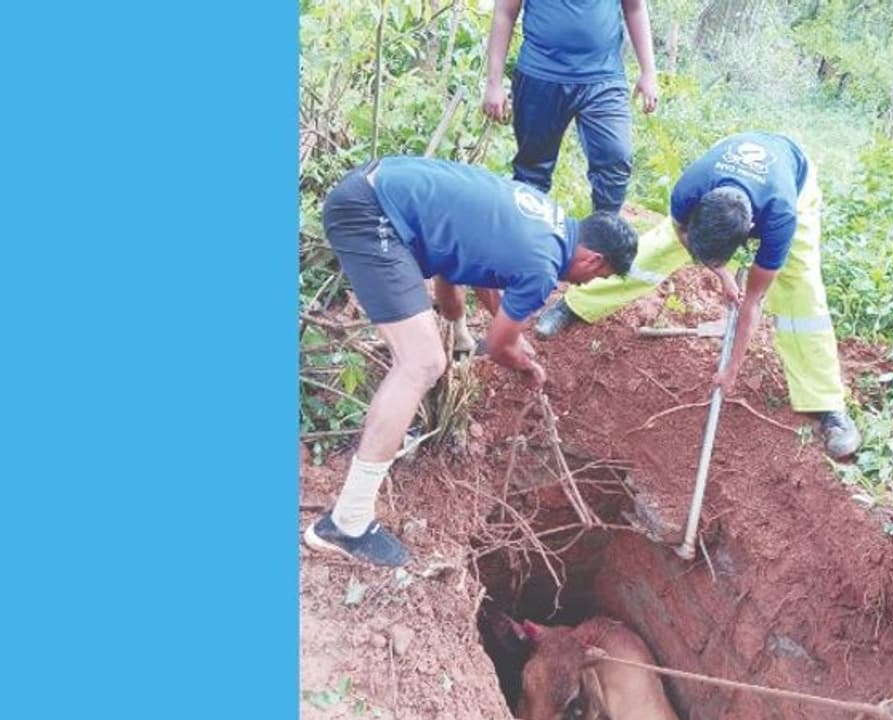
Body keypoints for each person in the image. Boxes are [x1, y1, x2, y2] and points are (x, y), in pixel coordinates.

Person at [304, 156, 638, 567]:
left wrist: (472, 334)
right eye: (597, 278)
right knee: (423, 362)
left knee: (431, 349)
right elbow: (499, 348)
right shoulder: (543, 267)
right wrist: (522, 361)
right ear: (594, 261)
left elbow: (471, 268)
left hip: (376, 187)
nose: (588, 284)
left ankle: (428, 382)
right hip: (371, 214)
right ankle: (347, 522)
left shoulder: (545, 218)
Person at [535, 132, 862, 458]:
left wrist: (732, 368)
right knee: (649, 253)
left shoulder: (780, 218)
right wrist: (720, 273)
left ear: (748, 235)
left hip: (794, 178)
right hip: (726, 173)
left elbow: (752, 301)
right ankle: (575, 304)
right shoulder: (690, 190)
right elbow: (681, 234)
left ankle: (827, 405)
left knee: (801, 290)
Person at [482, 0, 659, 213]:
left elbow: (635, 8)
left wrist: (648, 71)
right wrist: (494, 83)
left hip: (603, 76)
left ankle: (603, 234)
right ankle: (527, 233)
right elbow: (505, 11)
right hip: (540, 75)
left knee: (616, 158)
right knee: (532, 170)